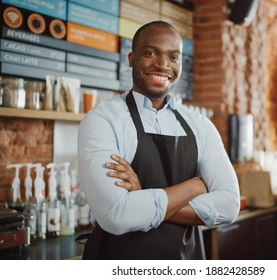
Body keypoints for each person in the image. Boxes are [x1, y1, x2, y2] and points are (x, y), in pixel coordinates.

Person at [77, 21, 240, 260]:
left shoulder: (200, 125)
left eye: (173, 57)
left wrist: (143, 194)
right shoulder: (102, 120)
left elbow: (229, 206)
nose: (163, 65)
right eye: (151, 53)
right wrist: (194, 187)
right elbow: (117, 214)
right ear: (131, 58)